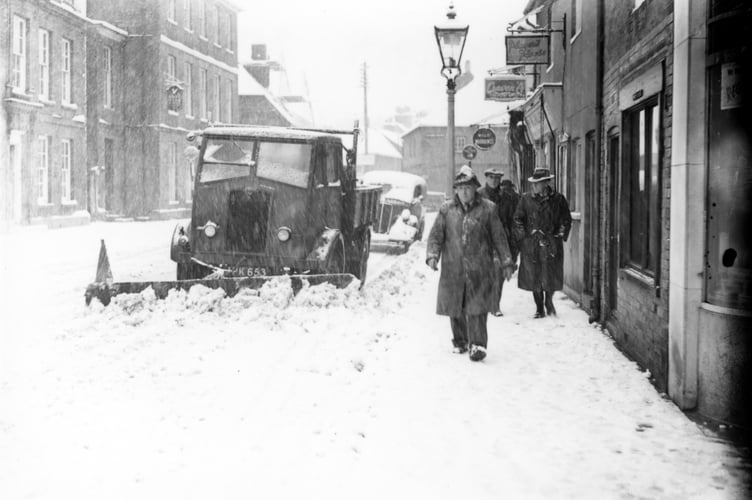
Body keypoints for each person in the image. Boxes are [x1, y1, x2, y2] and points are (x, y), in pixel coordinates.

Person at [426, 165, 515, 362]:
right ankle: (460, 341)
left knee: (477, 307)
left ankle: (478, 344)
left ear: (475, 188)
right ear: (456, 189)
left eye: (468, 187)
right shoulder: (446, 210)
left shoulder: (488, 209)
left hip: (480, 267)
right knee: (456, 305)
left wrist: (506, 261)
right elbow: (436, 235)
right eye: (460, 187)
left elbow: (499, 237)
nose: (464, 191)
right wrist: (433, 255)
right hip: (453, 266)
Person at [513, 167, 572, 318]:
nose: (535, 186)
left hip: (551, 242)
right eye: (534, 183)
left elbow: (566, 219)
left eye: (538, 183)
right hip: (532, 243)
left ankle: (549, 301)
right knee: (534, 275)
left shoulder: (558, 199)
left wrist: (559, 234)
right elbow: (518, 219)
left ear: (546, 183)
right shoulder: (526, 199)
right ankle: (539, 307)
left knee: (551, 274)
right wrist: (525, 235)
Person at [478, 168, 505, 316]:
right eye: (491, 177)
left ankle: (495, 305)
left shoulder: (505, 196)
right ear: (486, 178)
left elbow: (510, 217)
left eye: (497, 178)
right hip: (482, 239)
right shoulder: (479, 195)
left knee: (498, 274)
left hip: (500, 239)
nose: (495, 181)